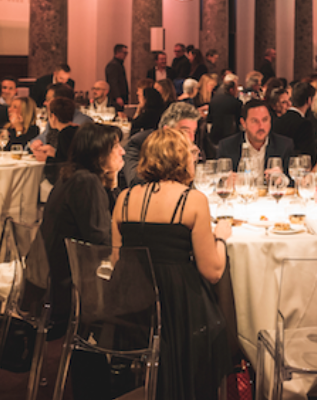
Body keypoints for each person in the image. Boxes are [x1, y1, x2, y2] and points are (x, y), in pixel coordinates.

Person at [113, 128, 231, 399]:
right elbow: (213, 271)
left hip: (134, 311)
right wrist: (221, 238)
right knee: (221, 323)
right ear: (181, 159)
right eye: (190, 153)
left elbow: (117, 260)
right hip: (179, 310)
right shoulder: (192, 200)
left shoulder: (124, 198)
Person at [38, 123, 123, 329]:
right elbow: (101, 240)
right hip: (71, 285)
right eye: (115, 147)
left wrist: (112, 183)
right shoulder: (86, 182)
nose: (122, 151)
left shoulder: (72, 176)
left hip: (51, 276)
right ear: (99, 154)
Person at [124, 103, 216, 188]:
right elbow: (136, 182)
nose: (191, 138)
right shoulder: (139, 143)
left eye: (194, 132)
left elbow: (205, 173)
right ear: (167, 130)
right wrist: (179, 161)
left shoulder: (192, 147)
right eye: (185, 131)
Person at [216, 99, 295, 172]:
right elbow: (219, 177)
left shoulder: (284, 145)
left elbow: (292, 177)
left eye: (265, 120)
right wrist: (227, 179)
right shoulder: (227, 147)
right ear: (243, 123)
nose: (261, 126)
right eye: (255, 121)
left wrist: (282, 179)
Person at [207, 75, 243, 143]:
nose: (237, 91)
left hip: (214, 136)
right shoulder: (236, 102)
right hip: (231, 136)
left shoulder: (214, 100)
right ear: (231, 90)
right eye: (236, 89)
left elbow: (209, 121)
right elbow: (239, 122)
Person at [105, 43, 130, 109]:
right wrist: (117, 97)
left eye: (127, 53)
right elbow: (113, 82)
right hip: (116, 98)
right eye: (124, 53)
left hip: (121, 96)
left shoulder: (118, 64)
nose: (126, 55)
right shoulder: (113, 65)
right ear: (117, 52)